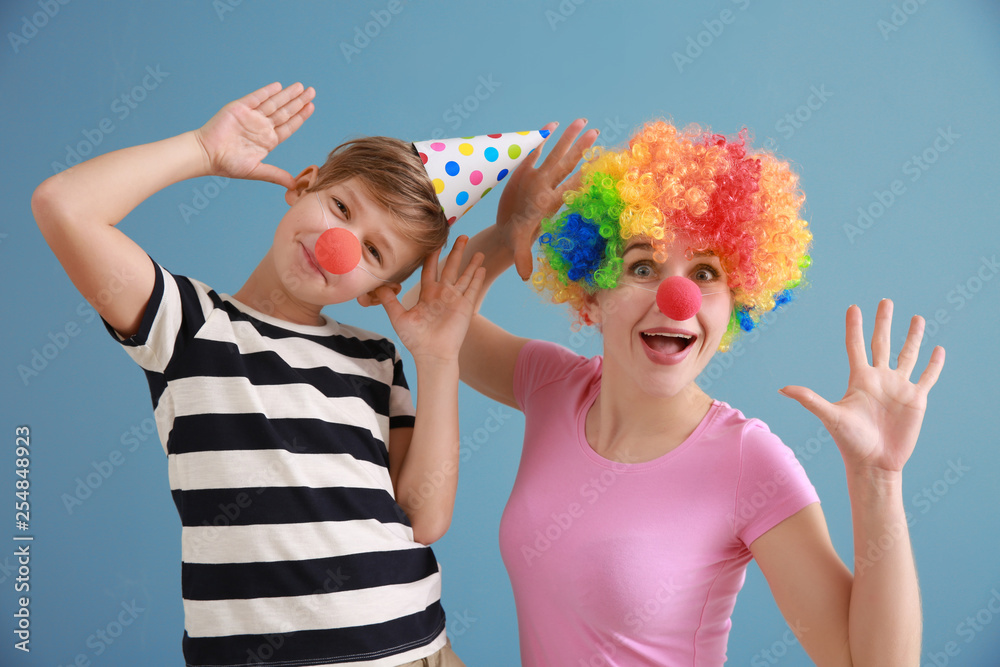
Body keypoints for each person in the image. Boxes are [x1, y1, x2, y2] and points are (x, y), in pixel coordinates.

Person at [433, 118, 946, 665]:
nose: (678, 297)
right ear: (593, 295)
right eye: (643, 266)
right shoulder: (553, 386)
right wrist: (510, 226)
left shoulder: (749, 460)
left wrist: (877, 479)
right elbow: (439, 320)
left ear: (735, 306)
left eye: (705, 273)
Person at [32, 82, 484, 667]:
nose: (339, 245)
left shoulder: (374, 357)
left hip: (421, 649)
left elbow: (425, 515)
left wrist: (439, 360)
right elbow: (64, 206)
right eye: (341, 208)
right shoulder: (189, 325)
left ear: (378, 291)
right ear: (302, 185)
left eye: (373, 253)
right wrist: (201, 149)